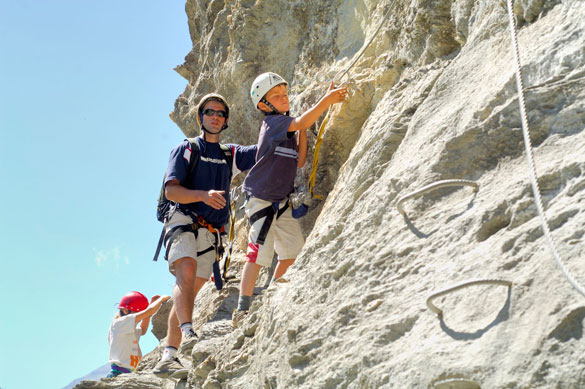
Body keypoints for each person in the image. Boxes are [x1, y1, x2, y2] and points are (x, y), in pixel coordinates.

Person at [153, 93, 257, 378]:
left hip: (211, 232)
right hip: (182, 219)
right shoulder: (186, 149)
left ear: (225, 121)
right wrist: (202, 195)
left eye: (221, 114)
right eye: (210, 112)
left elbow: (265, 148)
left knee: (190, 290)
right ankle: (188, 332)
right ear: (201, 117)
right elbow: (171, 190)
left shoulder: (229, 155)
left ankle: (169, 356)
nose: (215, 116)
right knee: (184, 272)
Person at [232, 72, 348, 327]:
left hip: (280, 199)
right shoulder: (273, 124)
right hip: (261, 199)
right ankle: (242, 308)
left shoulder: (289, 129)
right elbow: (301, 120)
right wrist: (326, 101)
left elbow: (301, 160)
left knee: (292, 252)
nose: (284, 98)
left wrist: (303, 131)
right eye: (276, 96)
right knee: (257, 253)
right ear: (264, 105)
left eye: (284, 94)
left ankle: (271, 297)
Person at [108, 292, 171, 378]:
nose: (140, 318)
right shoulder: (119, 324)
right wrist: (161, 299)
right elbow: (149, 311)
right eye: (138, 313)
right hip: (118, 373)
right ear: (126, 310)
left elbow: (143, 330)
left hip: (129, 373)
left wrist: (151, 305)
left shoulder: (127, 329)